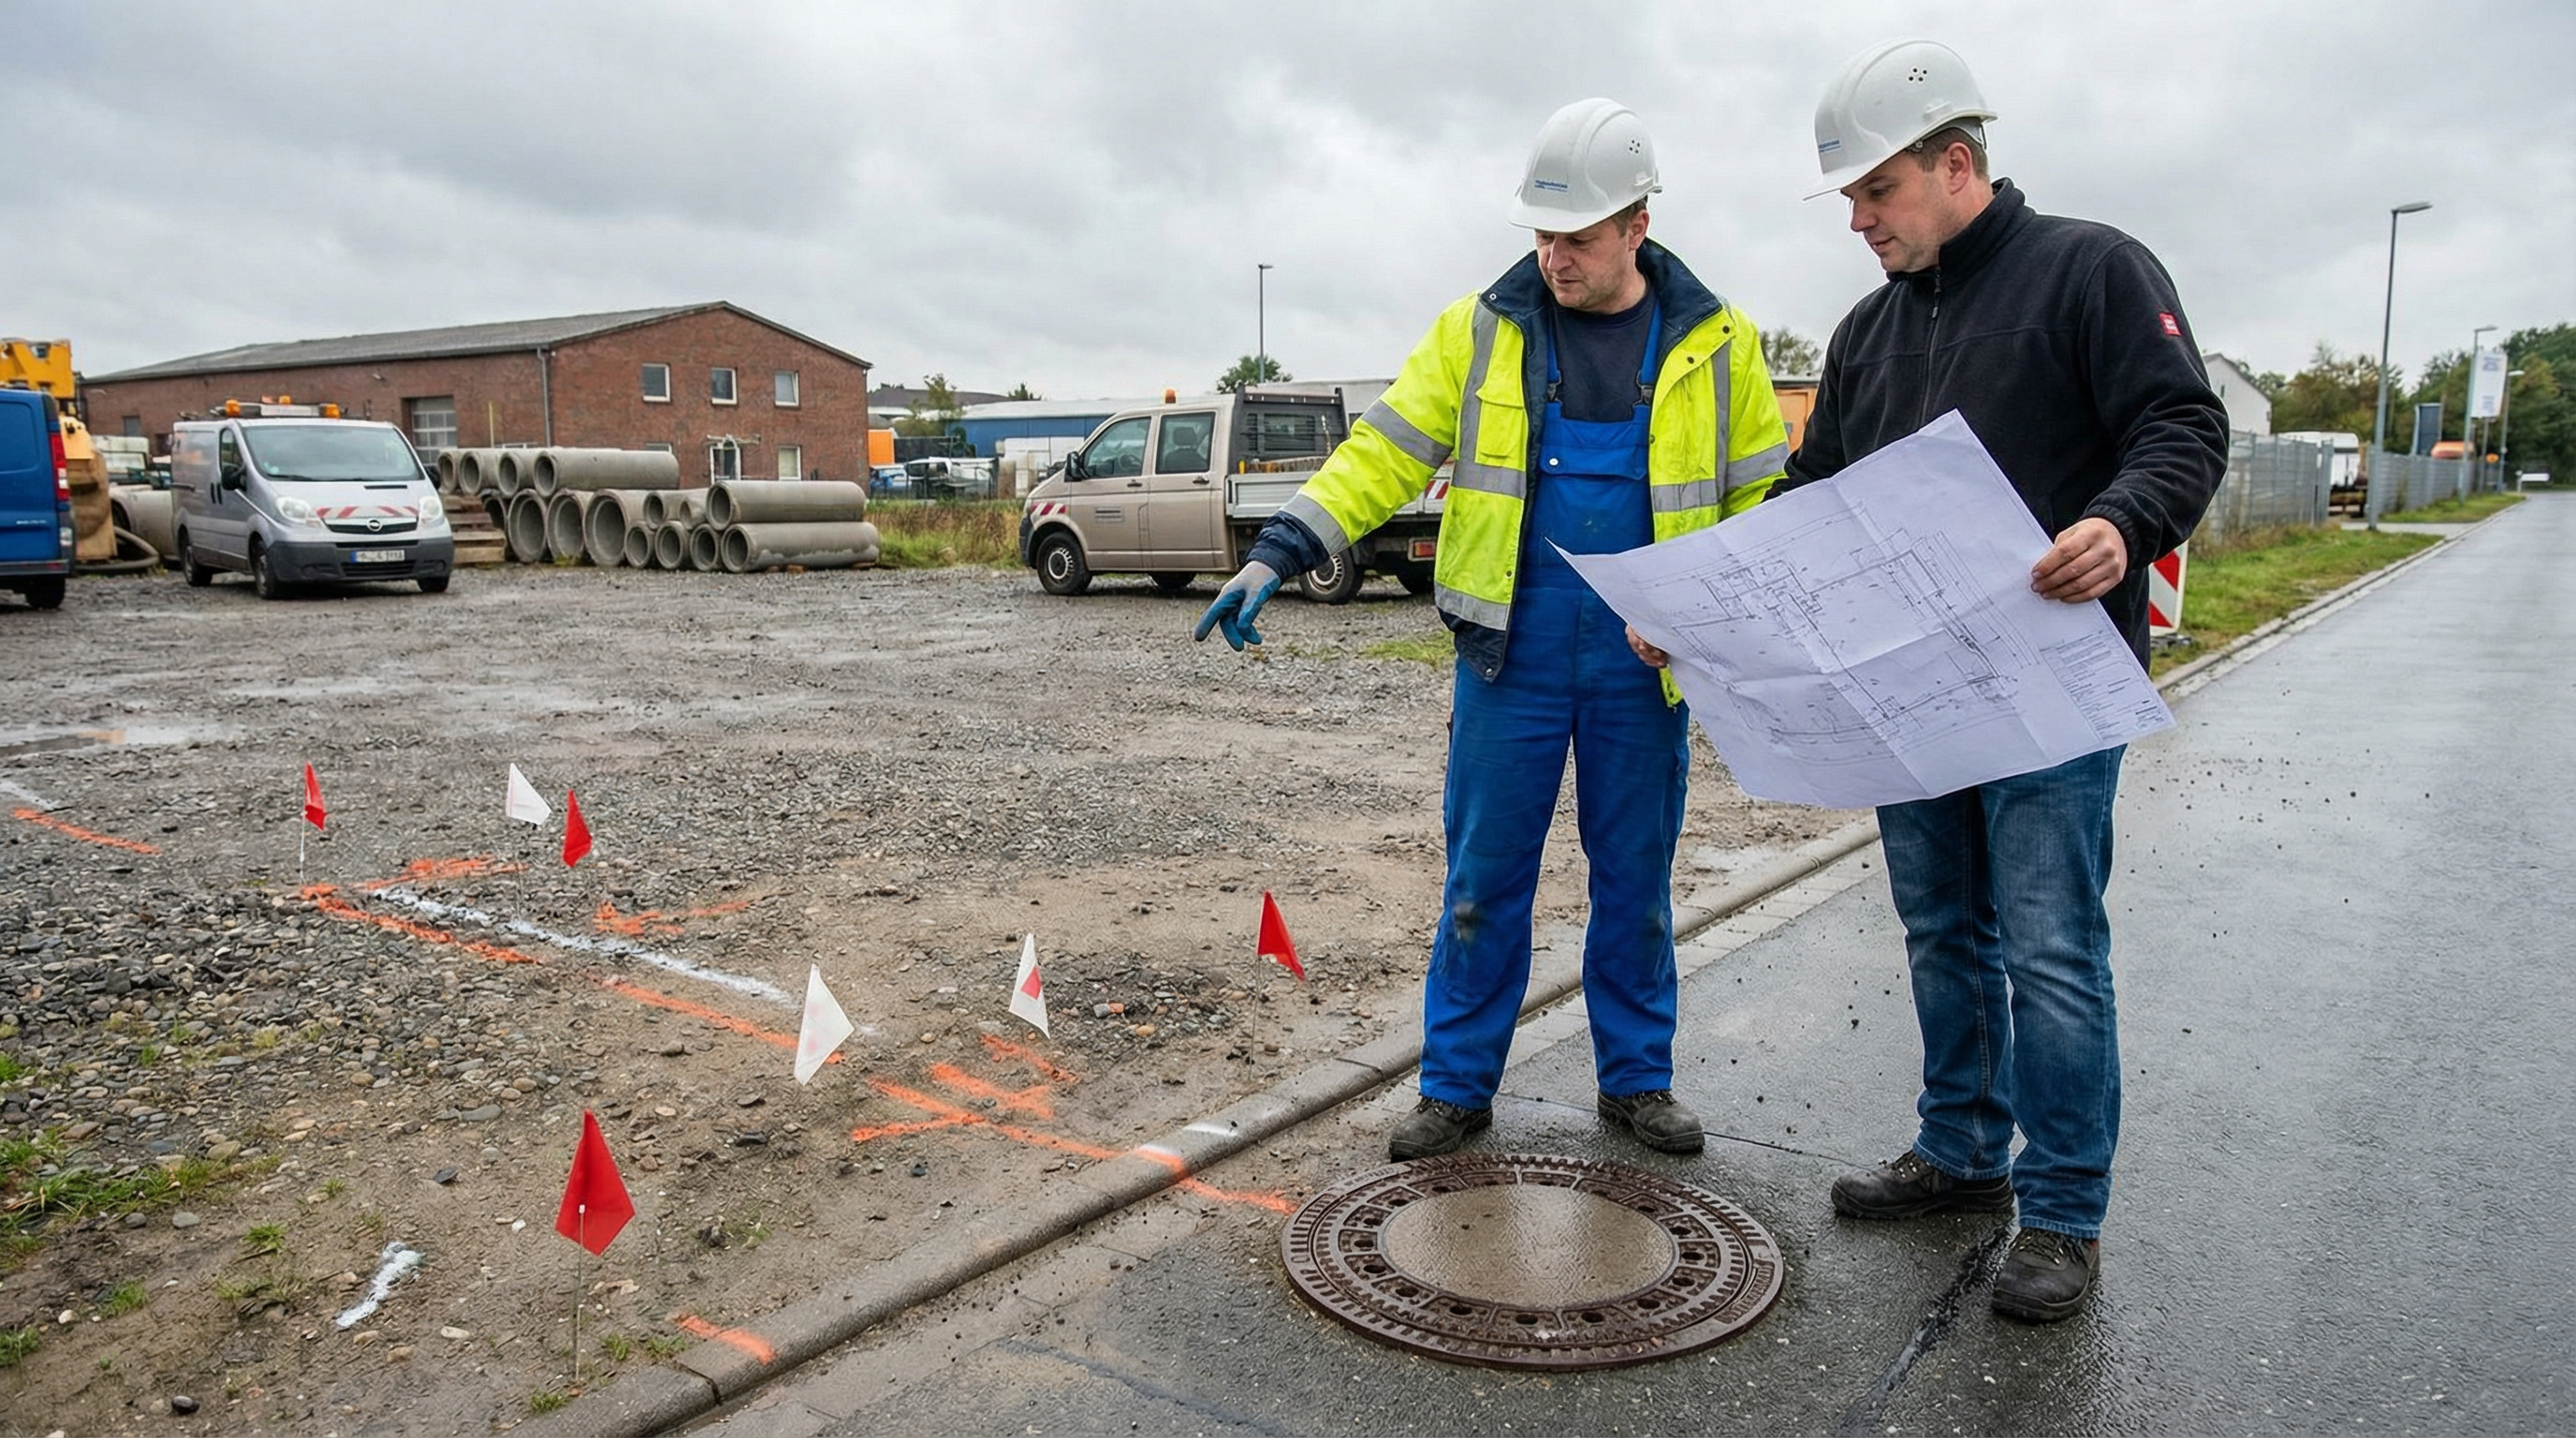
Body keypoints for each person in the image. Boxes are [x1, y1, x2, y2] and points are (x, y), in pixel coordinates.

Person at [1193, 98, 1791, 1163]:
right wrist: (1280, 548)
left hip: (1643, 661)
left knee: (1635, 877)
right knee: (1482, 880)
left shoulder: (1717, 342)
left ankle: (1637, 1082)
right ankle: (1457, 1085)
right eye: (1541, 235)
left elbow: (1757, 504)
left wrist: (1714, 619)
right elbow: (1383, 451)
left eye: (1578, 236)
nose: (1554, 256)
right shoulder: (1483, 329)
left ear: (1637, 226)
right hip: (1508, 654)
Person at [1776, 39, 2228, 1320]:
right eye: (1852, 203)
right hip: (1916, 697)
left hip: (2051, 687)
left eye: (1875, 193)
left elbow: (2183, 424)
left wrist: (2125, 523)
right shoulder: (1867, 332)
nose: (1858, 222)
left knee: (2049, 946)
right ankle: (1963, 1152)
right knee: (1940, 931)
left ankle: (2066, 1212)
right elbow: (1818, 493)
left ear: (1956, 164)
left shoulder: (2091, 270)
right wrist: (1711, 590)